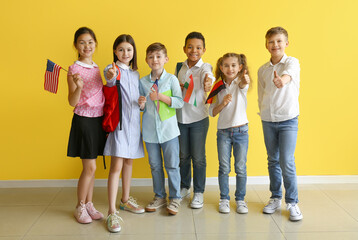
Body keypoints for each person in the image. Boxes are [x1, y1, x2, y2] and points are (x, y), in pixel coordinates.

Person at [258, 26, 303, 221]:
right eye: (271, 41)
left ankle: (292, 202)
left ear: (286, 43)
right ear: (266, 45)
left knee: (287, 160)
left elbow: (288, 75)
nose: (275, 45)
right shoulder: (262, 70)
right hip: (268, 119)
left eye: (279, 41)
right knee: (272, 160)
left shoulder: (292, 62)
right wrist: (263, 113)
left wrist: (282, 81)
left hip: (288, 119)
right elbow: (262, 94)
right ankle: (275, 197)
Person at [103, 34, 145, 233]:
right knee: (116, 167)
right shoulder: (112, 69)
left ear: (133, 52)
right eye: (121, 49)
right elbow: (110, 82)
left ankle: (125, 200)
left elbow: (135, 101)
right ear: (115, 51)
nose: (125, 53)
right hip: (119, 127)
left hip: (134, 126)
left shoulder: (136, 74)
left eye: (129, 49)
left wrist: (142, 103)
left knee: (129, 162)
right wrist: (111, 76)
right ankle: (112, 212)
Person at [138, 42, 184, 215]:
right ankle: (159, 196)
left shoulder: (171, 79)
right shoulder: (142, 81)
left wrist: (161, 97)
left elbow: (179, 102)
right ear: (146, 60)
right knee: (155, 166)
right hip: (150, 132)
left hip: (169, 131)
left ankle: (175, 198)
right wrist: (141, 104)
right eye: (151, 57)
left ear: (166, 59)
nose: (154, 60)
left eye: (158, 56)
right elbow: (140, 107)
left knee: (172, 165)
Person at [67, 27, 105, 224]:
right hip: (84, 119)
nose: (87, 46)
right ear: (76, 45)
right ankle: (79, 206)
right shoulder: (74, 69)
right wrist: (79, 87)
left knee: (93, 167)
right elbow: (72, 102)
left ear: (95, 44)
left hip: (98, 119)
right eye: (82, 42)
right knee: (89, 167)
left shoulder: (98, 68)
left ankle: (89, 203)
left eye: (90, 42)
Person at [175, 32, 214, 209]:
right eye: (190, 47)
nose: (194, 50)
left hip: (199, 118)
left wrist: (208, 83)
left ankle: (198, 191)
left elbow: (209, 77)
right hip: (180, 118)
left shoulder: (205, 67)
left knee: (198, 157)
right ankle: (185, 187)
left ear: (204, 50)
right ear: (184, 48)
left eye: (198, 47)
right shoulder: (179, 67)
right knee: (183, 156)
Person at [208, 53, 251, 214]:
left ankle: (240, 199)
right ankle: (224, 199)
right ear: (221, 68)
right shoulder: (218, 86)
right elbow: (212, 112)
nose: (230, 68)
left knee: (240, 167)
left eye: (234, 65)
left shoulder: (241, 82)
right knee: (224, 167)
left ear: (240, 68)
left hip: (241, 131)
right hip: (223, 132)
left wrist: (245, 79)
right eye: (226, 65)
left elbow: (244, 85)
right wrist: (223, 103)